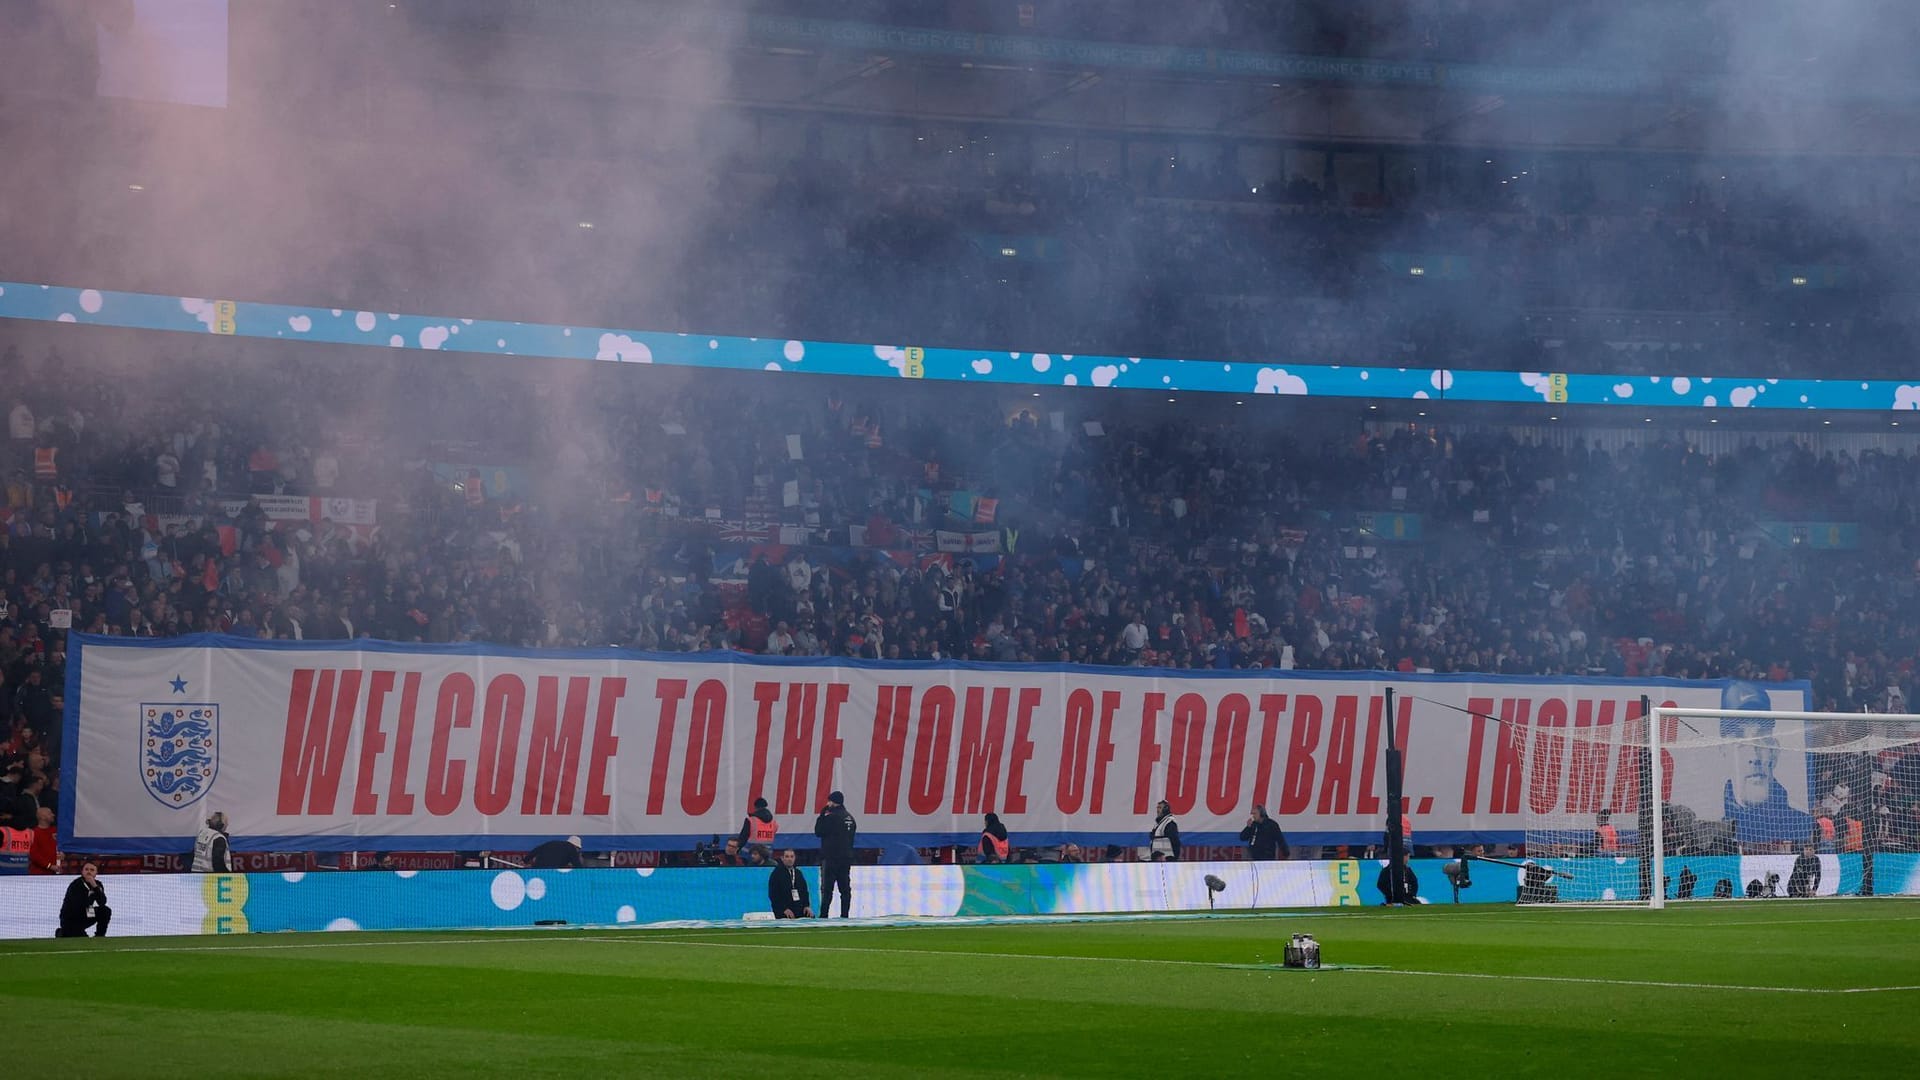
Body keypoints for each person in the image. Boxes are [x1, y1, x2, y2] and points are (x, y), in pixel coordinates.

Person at [1718, 681, 1814, 844]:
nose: (1754, 756)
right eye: (1740, 740)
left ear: (1774, 751)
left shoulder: (1801, 825)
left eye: (1761, 739)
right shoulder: (1714, 830)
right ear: (1723, 752)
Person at [814, 790, 857, 917]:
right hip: (846, 858)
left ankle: (824, 915)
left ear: (833, 802)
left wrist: (822, 815)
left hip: (831, 858)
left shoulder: (831, 817)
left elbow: (818, 831)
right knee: (845, 889)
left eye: (829, 801)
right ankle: (844, 915)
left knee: (827, 889)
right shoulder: (850, 817)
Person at [57, 862, 110, 938]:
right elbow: (78, 905)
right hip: (71, 917)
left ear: (96, 873)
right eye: (86, 869)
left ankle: (100, 936)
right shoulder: (76, 884)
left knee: (105, 911)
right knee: (80, 938)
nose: (89, 872)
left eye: (92, 870)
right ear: (82, 872)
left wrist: (95, 886)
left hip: (85, 914)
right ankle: (62, 932)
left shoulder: (98, 884)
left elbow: (102, 902)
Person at [768, 848, 812, 919]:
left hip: (798, 907)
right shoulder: (776, 874)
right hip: (783, 909)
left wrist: (807, 906)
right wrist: (784, 909)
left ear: (795, 858)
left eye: (792, 856)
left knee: (810, 916)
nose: (789, 859)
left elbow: (804, 891)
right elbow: (773, 895)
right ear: (782, 858)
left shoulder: (798, 873)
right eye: (787, 856)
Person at [737, 797, 779, 861]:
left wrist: (737, 849)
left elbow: (743, 837)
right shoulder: (773, 822)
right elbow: (774, 831)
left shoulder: (751, 820)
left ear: (755, 807)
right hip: (767, 854)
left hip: (751, 854)